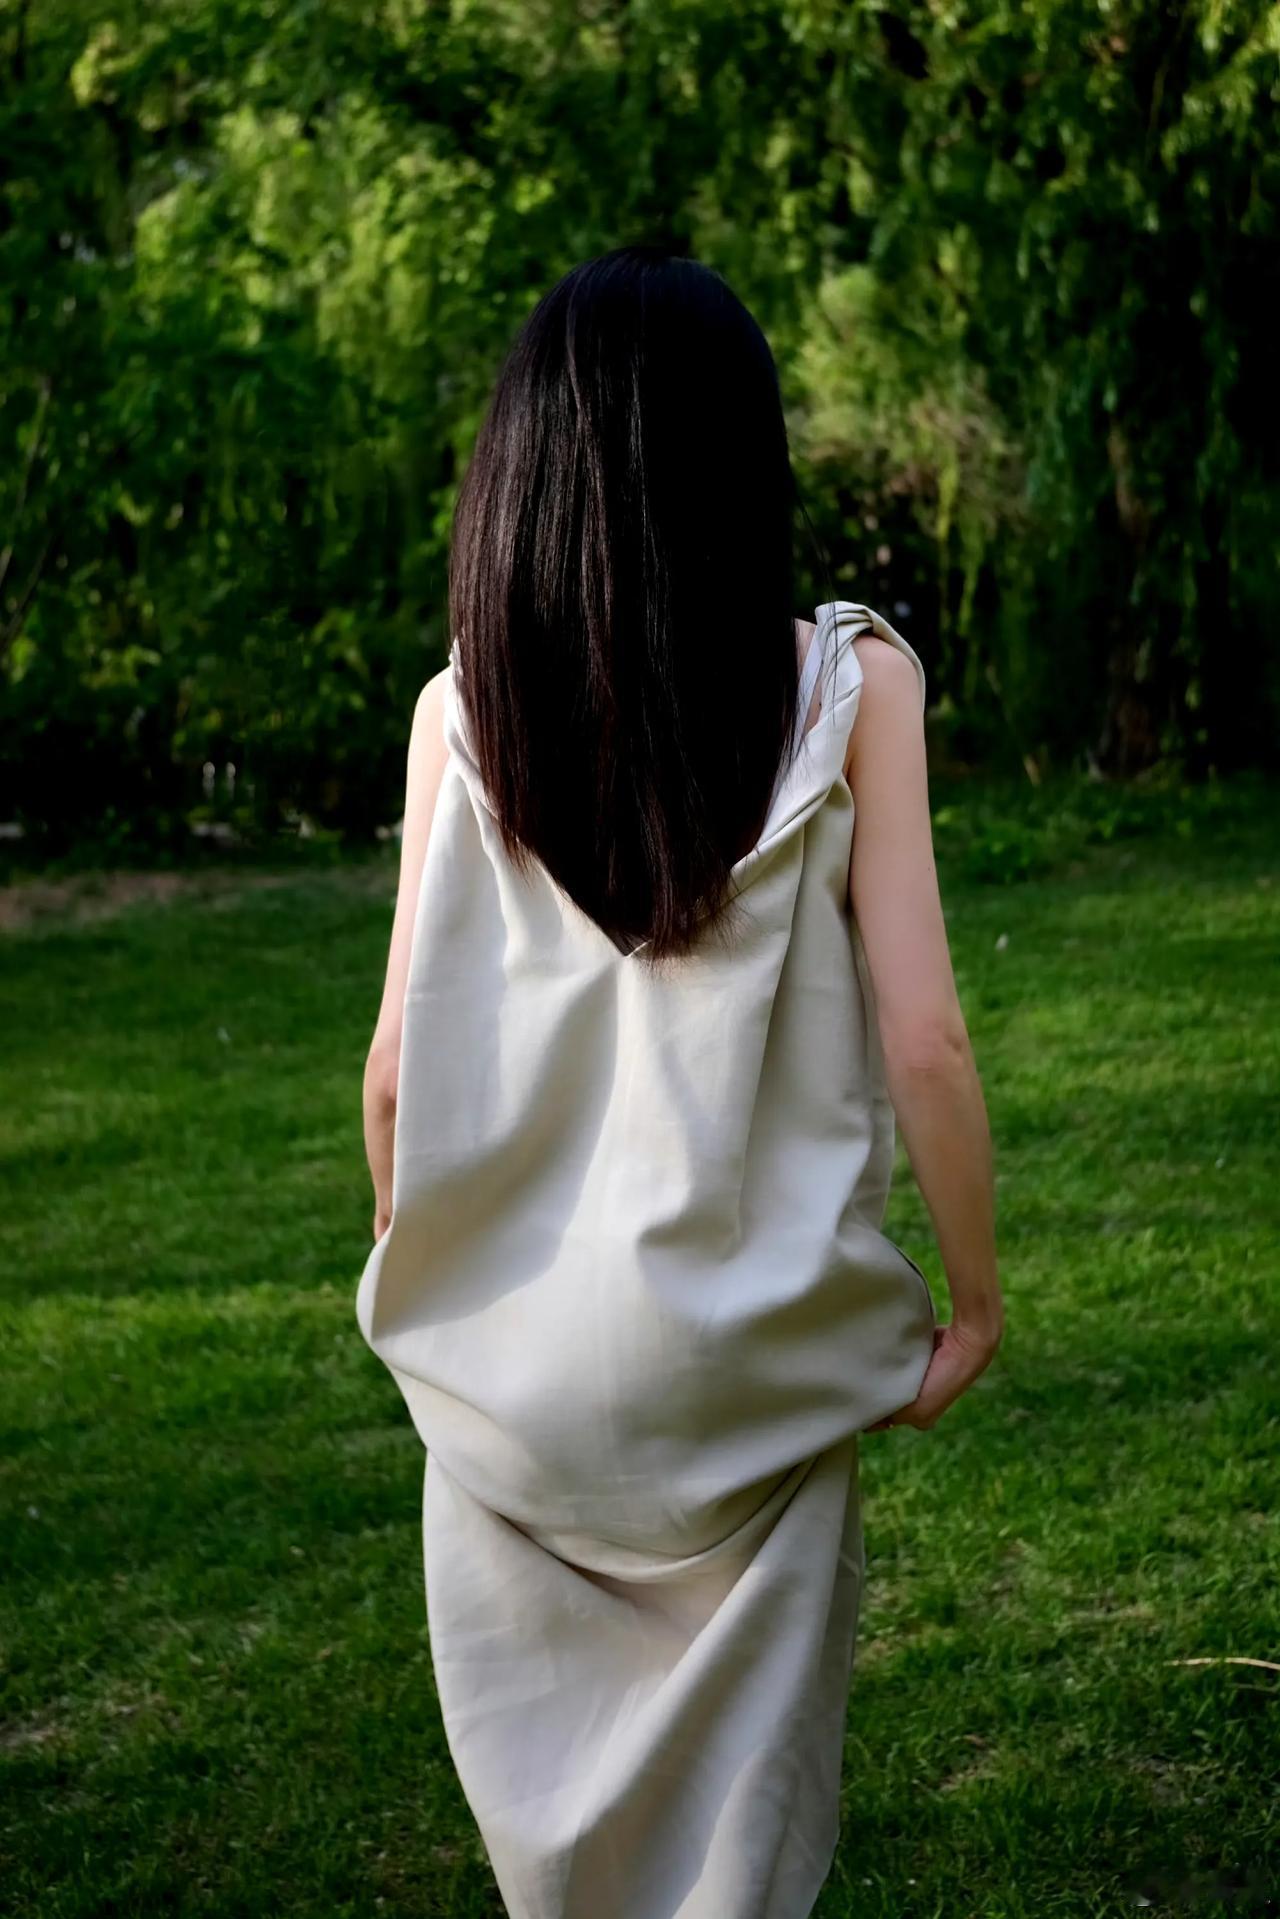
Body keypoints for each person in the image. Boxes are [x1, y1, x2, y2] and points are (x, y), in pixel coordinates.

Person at [356, 244, 1003, 1919]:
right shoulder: (854, 691)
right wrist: (974, 1306)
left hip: (516, 1387)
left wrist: (433, 1280)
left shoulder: (457, 713)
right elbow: (927, 1041)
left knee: (560, 1841)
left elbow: (394, 1078)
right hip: (747, 1362)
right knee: (740, 1842)